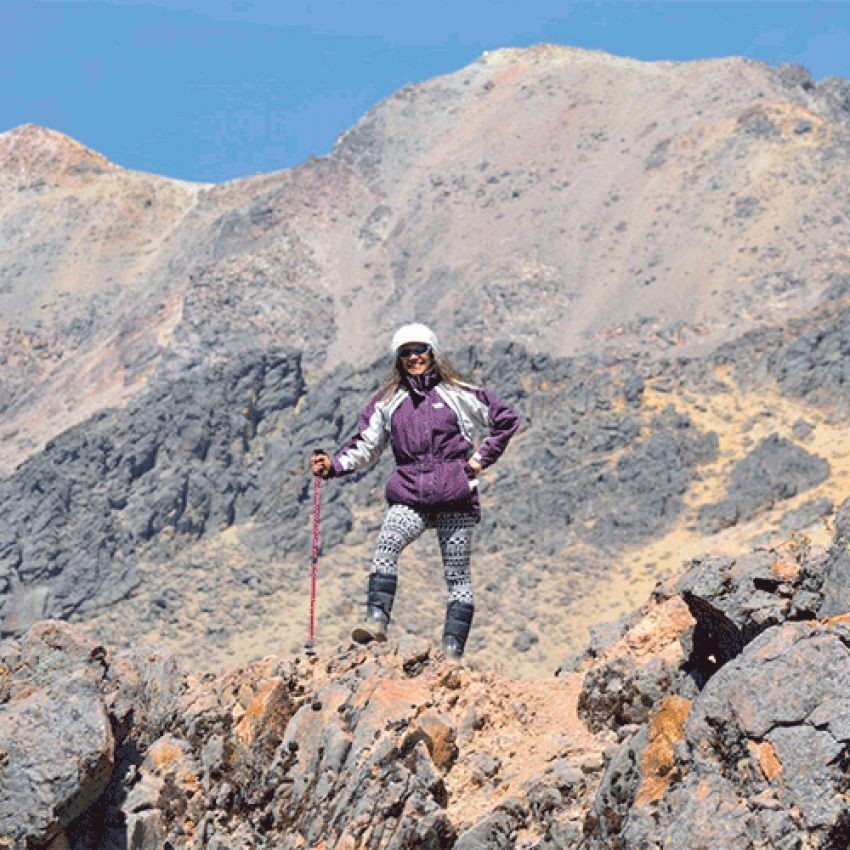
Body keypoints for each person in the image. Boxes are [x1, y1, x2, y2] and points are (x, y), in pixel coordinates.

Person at [310, 323, 520, 659]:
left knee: (457, 577)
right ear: (398, 360)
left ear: (432, 352)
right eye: (405, 353)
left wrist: (479, 461)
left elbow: (506, 420)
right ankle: (376, 621)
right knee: (386, 546)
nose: (414, 357)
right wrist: (333, 466)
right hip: (409, 495)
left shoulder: (460, 394)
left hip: (455, 497)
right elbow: (366, 445)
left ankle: (452, 653)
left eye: (419, 350)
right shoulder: (387, 403)